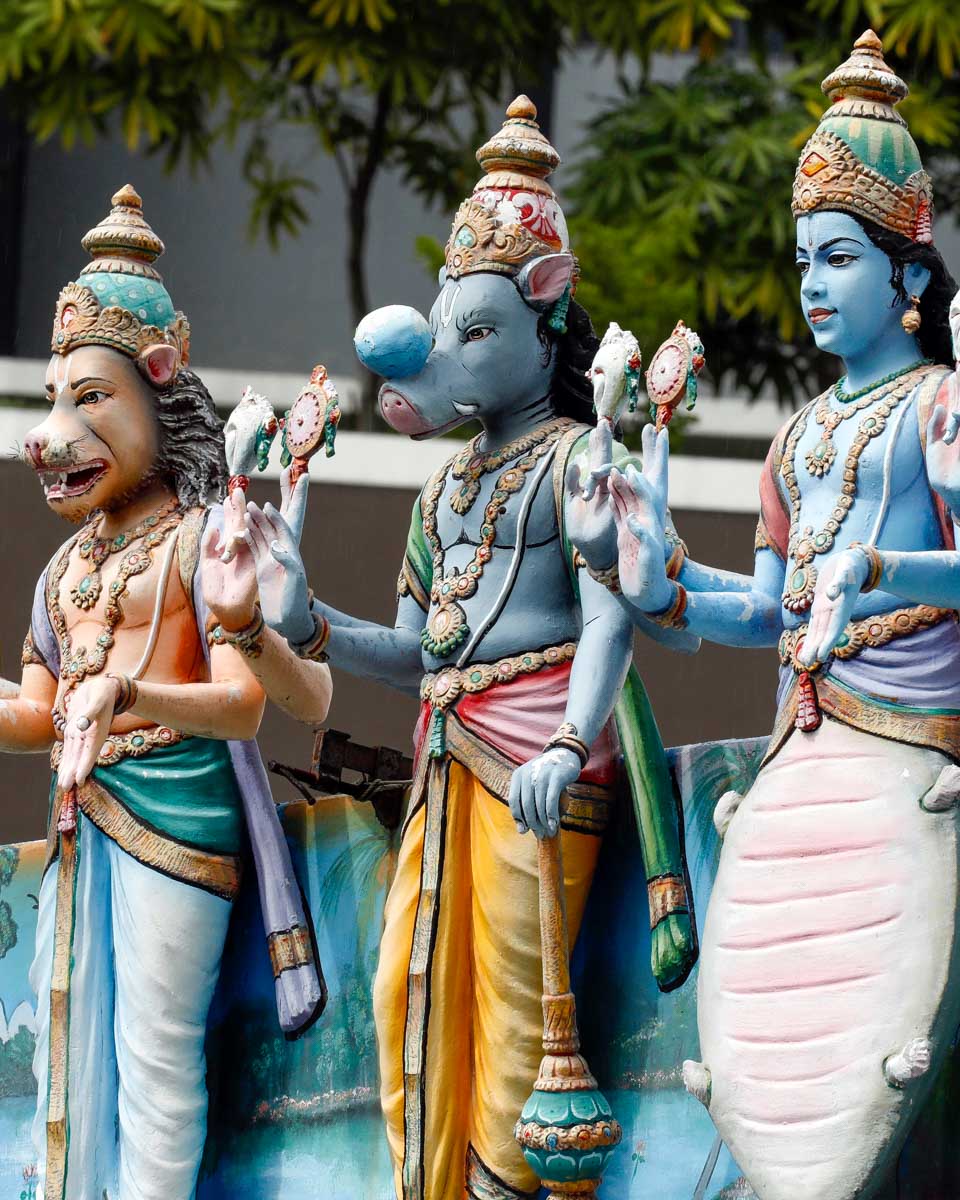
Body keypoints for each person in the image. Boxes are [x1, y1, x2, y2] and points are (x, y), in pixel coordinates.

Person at [238, 98, 698, 1199]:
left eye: (475, 334)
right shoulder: (441, 489)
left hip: (538, 765)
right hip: (447, 766)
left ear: (549, 315)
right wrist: (307, 620)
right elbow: (416, 651)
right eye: (449, 335)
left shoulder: (577, 460)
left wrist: (569, 741)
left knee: (518, 1019)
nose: (447, 358)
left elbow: (609, 616)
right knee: (405, 992)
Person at [571, 31, 960, 1200]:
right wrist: (662, 582)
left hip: (912, 759)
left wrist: (879, 569)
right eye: (802, 261)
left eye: (839, 257)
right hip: (801, 773)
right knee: (778, 1062)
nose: (813, 286)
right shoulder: (795, 438)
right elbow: (767, 607)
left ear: (908, 276)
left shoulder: (939, 410)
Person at [3, 186, 326, 1200]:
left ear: (158, 388)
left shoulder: (201, 543)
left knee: (153, 1058)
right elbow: (36, 713)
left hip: (175, 821)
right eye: (54, 398)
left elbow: (244, 706)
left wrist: (130, 689)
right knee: (66, 1054)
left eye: (90, 399)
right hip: (82, 821)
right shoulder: (65, 570)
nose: (52, 432)